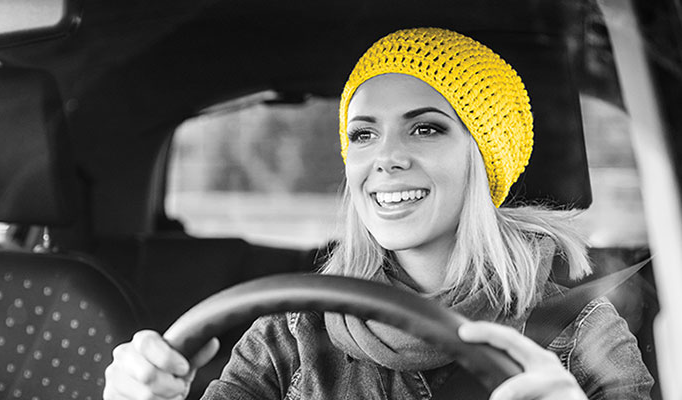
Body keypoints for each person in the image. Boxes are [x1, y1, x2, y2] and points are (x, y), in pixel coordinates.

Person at [103, 27, 654, 400]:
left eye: (427, 127)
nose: (385, 158)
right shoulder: (290, 333)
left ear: (485, 158)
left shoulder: (580, 330)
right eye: (363, 135)